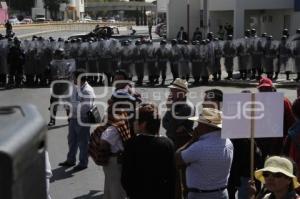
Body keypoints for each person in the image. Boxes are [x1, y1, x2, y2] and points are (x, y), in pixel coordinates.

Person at [176, 107, 234, 199]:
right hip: (222, 193)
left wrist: (192, 140)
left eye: (199, 124)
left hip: (200, 195)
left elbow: (177, 159)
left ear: (205, 126)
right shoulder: (228, 142)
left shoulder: (199, 146)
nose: (196, 127)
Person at [121, 103, 176, 199]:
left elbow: (126, 176)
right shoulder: (168, 143)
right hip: (162, 194)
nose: (133, 123)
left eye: (136, 121)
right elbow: (172, 176)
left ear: (143, 124)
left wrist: (131, 193)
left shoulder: (132, 144)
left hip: (138, 194)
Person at [58, 68, 95, 171]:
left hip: (82, 119)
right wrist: (67, 104)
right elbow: (68, 98)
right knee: (72, 140)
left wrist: (70, 107)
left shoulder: (87, 91)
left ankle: (83, 163)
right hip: (73, 118)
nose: (72, 79)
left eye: (74, 77)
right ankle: (70, 160)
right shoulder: (76, 87)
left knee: (83, 142)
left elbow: (85, 108)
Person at [256, 77, 295, 160]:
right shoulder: (256, 102)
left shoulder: (284, 101)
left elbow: (291, 121)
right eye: (262, 89)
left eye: (267, 89)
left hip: (279, 141)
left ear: (273, 89)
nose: (264, 92)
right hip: (262, 140)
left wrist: (287, 140)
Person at [163, 78, 194, 149]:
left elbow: (172, 126)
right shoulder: (175, 104)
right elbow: (164, 123)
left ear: (182, 93)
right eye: (171, 90)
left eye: (173, 90)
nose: (171, 92)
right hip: (173, 140)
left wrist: (170, 109)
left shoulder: (187, 107)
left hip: (181, 143)